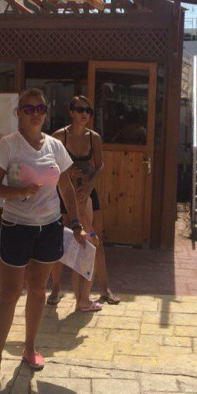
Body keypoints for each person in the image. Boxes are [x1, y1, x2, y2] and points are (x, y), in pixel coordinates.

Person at [0, 88, 87, 387]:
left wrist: (76, 224)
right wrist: (19, 192)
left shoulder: (54, 146)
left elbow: (66, 187)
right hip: (16, 226)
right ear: (19, 113)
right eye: (29, 109)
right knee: (9, 293)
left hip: (49, 227)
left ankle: (29, 349)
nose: (35, 113)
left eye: (40, 108)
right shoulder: (8, 145)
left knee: (38, 290)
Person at [48, 95, 120, 310]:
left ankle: (104, 289)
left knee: (95, 241)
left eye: (88, 111)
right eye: (80, 109)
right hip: (64, 195)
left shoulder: (93, 137)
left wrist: (88, 188)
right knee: (60, 243)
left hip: (87, 194)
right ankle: (55, 290)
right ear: (71, 111)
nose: (84, 114)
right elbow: (50, 165)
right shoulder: (59, 136)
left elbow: (100, 166)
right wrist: (66, 183)